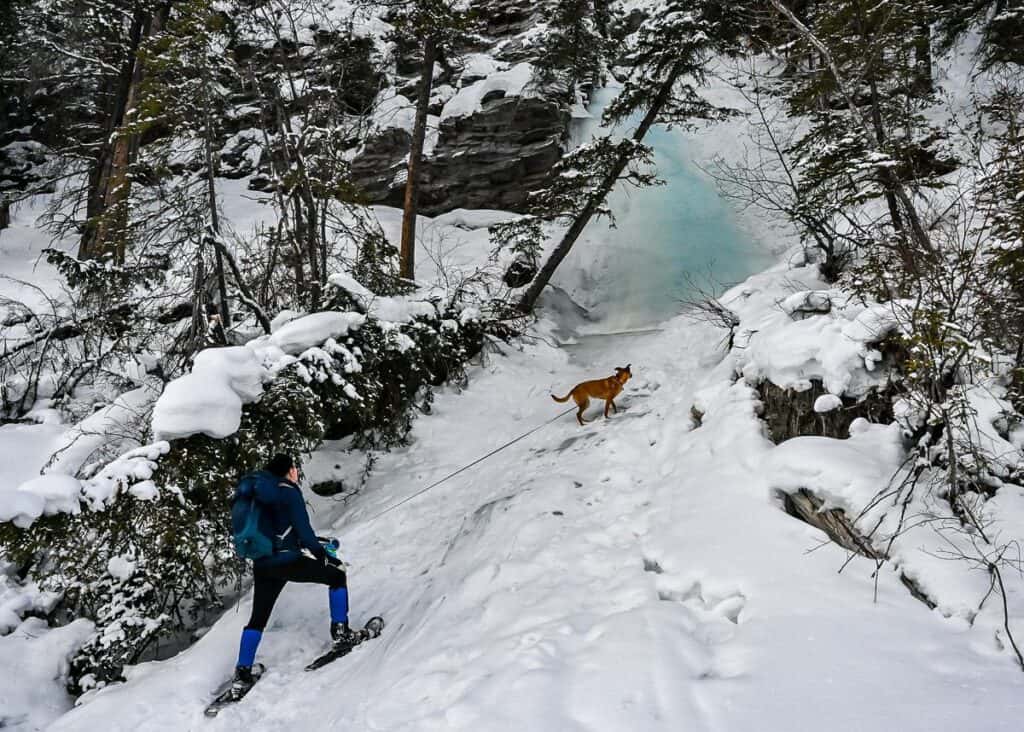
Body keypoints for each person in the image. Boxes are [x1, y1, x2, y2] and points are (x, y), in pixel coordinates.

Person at [230, 453, 359, 693]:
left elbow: (280, 529)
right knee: (337, 575)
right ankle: (341, 634)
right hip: (288, 561)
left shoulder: (256, 493)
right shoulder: (287, 491)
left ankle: (243, 671)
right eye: (294, 469)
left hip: (263, 564)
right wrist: (322, 555)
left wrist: (305, 543)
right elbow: (303, 529)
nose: (296, 473)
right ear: (289, 471)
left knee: (258, 618)